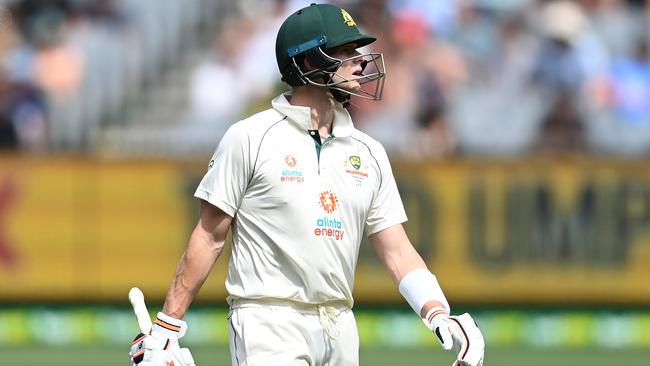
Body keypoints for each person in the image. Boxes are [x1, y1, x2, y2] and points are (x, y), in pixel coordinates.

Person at [129, 4, 484, 366]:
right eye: (345, 52)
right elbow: (209, 236)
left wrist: (437, 311)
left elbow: (397, 250)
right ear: (309, 61)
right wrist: (167, 327)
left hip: (340, 325)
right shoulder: (250, 137)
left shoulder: (369, 152)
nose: (359, 62)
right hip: (268, 321)